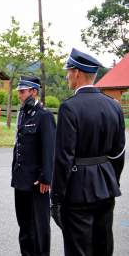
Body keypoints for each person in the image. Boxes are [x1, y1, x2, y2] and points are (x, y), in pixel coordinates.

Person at [50, 49, 125, 256]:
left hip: (77, 191)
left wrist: (56, 198)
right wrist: (111, 181)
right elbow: (119, 153)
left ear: (76, 73)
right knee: (103, 247)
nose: (67, 76)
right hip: (106, 187)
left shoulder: (69, 107)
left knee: (78, 250)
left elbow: (63, 158)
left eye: (68, 72)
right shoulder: (114, 106)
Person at [12, 76, 56, 256]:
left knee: (39, 227)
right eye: (18, 92)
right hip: (21, 179)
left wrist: (46, 177)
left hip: (38, 182)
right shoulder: (23, 113)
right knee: (24, 225)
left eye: (22, 92)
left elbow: (49, 149)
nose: (19, 95)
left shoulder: (44, 116)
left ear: (33, 92)